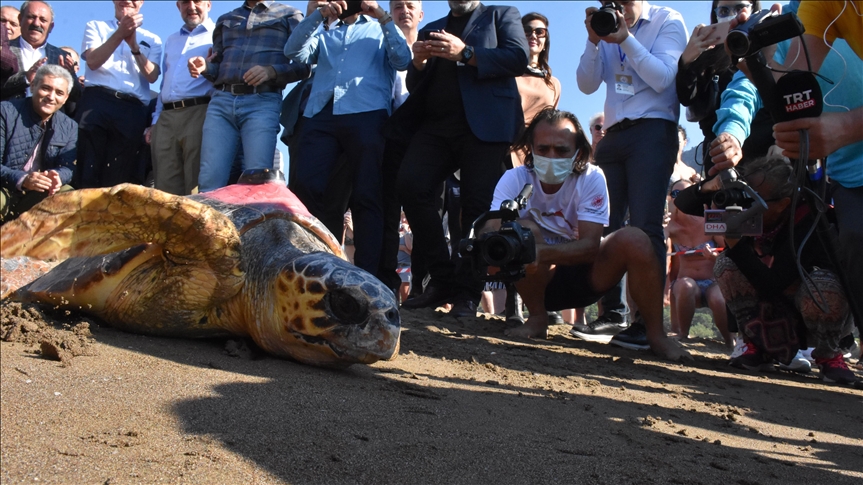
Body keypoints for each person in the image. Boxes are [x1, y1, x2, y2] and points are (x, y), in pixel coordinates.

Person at [486, 107, 690, 362]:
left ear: (578, 152)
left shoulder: (592, 177)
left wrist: (540, 253)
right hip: (535, 282)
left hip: (589, 278)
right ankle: (537, 318)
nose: (551, 156)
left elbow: (590, 246)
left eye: (561, 150)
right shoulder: (513, 178)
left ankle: (656, 334)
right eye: (543, 149)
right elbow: (492, 228)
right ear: (531, 149)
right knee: (521, 231)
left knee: (636, 238)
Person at [394, 0, 529, 317]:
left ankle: (467, 293)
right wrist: (418, 64)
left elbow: (518, 58)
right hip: (436, 128)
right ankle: (441, 279)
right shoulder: (430, 29)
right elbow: (417, 86)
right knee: (410, 186)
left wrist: (466, 53)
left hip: (485, 128)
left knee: (477, 207)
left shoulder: (501, 14)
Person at [574, 0, 687, 348]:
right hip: (614, 134)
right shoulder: (605, 27)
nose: (619, 5)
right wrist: (594, 40)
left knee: (645, 225)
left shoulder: (668, 20)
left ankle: (648, 324)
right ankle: (612, 313)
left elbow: (664, 78)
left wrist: (624, 38)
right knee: (604, 223)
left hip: (654, 131)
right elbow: (586, 85)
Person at [689, 157, 857, 384]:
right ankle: (755, 344)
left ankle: (830, 355)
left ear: (783, 204)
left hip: (815, 307)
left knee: (823, 286)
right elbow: (684, 205)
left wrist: (737, 246)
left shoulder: (809, 220)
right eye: (746, 196)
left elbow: (772, 284)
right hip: (774, 304)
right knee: (726, 265)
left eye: (756, 200)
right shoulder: (752, 216)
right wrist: (712, 186)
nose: (748, 206)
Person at [284, 0, 411, 277]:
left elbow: (403, 60)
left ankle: (367, 274)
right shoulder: (327, 31)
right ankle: (313, 263)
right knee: (304, 185)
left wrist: (382, 16)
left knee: (367, 195)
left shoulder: (381, 28)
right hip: (321, 114)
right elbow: (293, 51)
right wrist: (318, 14)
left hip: (367, 114)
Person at [190, 0, 307, 192]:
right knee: (210, 179)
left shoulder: (290, 15)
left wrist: (272, 71)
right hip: (221, 101)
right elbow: (217, 67)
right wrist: (204, 67)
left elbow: (304, 66)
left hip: (262, 102)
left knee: (259, 179)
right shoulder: (226, 19)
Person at [75, 0, 162, 189]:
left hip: (132, 110)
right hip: (97, 103)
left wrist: (135, 47)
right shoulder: (96, 26)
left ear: (142, 2)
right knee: (86, 171)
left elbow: (153, 76)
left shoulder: (153, 39)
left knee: (120, 177)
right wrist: (120, 33)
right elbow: (93, 61)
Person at [147, 0, 215, 196]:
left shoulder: (218, 35)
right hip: (166, 117)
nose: (191, 6)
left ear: (208, 5)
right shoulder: (171, 40)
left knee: (196, 188)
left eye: (197, 1)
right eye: (185, 2)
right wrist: (156, 120)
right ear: (178, 6)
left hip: (199, 112)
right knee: (164, 190)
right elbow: (164, 83)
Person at [1, 64, 76, 223]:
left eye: (59, 93)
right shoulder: (5, 111)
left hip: (39, 191)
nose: (51, 96)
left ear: (66, 98)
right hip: (5, 187)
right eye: (46, 88)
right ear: (33, 86)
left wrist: (57, 177)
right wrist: (23, 179)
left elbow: (68, 167)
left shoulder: (70, 126)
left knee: (69, 197)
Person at [664, 179, 729, 347]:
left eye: (685, 194)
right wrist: (662, 226)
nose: (680, 199)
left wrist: (715, 257)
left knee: (718, 298)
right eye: (676, 194)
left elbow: (728, 251)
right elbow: (658, 247)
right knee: (686, 285)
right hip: (685, 284)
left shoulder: (709, 219)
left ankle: (730, 341)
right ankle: (683, 335)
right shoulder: (671, 226)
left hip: (712, 282)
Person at [1, 1, 81, 107]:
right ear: (20, 19)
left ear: (51, 27)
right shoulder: (4, 51)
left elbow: (76, 97)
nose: (36, 23)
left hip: (48, 121)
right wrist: (25, 78)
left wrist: (70, 76)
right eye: (31, 17)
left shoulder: (61, 56)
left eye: (43, 20)